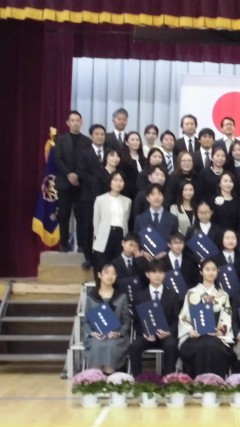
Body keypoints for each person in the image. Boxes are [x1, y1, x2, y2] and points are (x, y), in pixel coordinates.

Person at [178, 259, 234, 377]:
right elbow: (184, 316)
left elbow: (227, 316)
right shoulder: (191, 293)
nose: (211, 272)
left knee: (213, 346)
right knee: (200, 346)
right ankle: (196, 382)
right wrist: (190, 331)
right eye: (207, 269)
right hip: (195, 335)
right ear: (201, 272)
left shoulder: (223, 295)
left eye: (213, 269)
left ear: (217, 271)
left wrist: (221, 331)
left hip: (215, 336)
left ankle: (216, 382)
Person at [129, 260, 180, 377]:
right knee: (134, 346)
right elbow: (136, 321)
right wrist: (145, 333)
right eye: (154, 272)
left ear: (164, 274)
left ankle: (168, 380)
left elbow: (176, 320)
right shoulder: (140, 296)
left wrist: (169, 332)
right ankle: (137, 380)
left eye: (161, 272)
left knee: (171, 345)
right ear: (147, 274)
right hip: (147, 336)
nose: (157, 275)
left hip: (166, 336)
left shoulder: (172, 295)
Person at [82, 263, 130, 373]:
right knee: (96, 345)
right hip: (97, 335)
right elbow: (85, 321)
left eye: (113, 273)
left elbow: (126, 320)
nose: (110, 276)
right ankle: (96, 377)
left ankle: (110, 375)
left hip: (115, 336)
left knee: (111, 346)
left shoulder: (121, 297)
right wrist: (91, 333)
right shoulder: (91, 297)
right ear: (100, 275)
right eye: (107, 273)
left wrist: (119, 333)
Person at [77, 124, 107, 269]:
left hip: (107, 195)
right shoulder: (84, 153)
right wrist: (97, 182)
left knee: (104, 227)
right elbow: (82, 173)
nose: (100, 137)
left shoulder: (109, 152)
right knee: (88, 226)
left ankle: (102, 257)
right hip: (88, 196)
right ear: (91, 136)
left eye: (102, 134)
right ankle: (88, 257)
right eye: (97, 134)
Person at [92, 171, 132, 273]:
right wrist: (98, 236)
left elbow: (126, 220)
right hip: (104, 235)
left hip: (120, 235)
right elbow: (96, 221)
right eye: (115, 180)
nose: (118, 183)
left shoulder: (127, 201)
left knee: (117, 266)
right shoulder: (100, 199)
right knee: (102, 265)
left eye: (121, 181)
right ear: (110, 182)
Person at [120, 131, 145, 199]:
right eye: (132, 140)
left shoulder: (144, 159)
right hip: (128, 194)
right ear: (126, 142)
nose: (135, 142)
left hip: (143, 194)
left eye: (137, 140)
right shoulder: (122, 160)